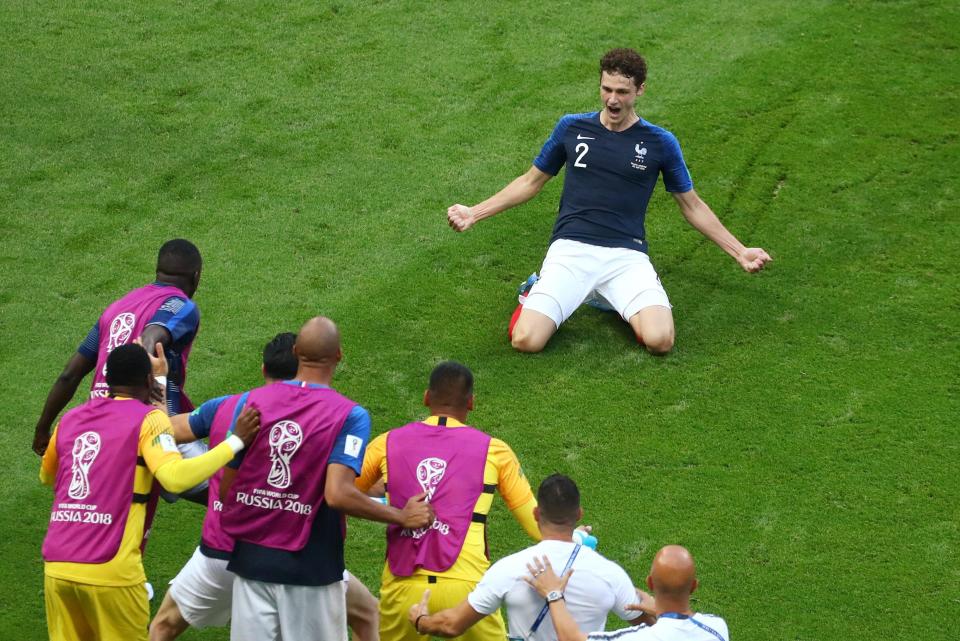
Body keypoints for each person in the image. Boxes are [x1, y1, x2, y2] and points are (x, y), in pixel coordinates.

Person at [446, 48, 771, 355]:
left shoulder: (660, 142)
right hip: (571, 250)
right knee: (526, 341)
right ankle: (534, 290)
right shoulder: (572, 127)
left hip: (626, 256)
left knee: (660, 341)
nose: (612, 99)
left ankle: (607, 295)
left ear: (640, 90)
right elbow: (531, 182)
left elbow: (692, 205)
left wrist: (740, 251)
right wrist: (474, 212)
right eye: (607, 89)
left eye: (622, 92)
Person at [149, 332, 380, 641]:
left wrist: (160, 380)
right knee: (368, 614)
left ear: (262, 369)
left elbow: (166, 430)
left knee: (163, 626)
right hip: (288, 555)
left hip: (218, 554)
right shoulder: (326, 416)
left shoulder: (230, 406)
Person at [219, 317, 434, 641]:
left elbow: (227, 489)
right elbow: (337, 494)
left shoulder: (252, 403)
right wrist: (401, 515)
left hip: (251, 564)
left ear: (295, 352)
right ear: (339, 356)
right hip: (311, 569)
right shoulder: (349, 416)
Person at [39, 343, 260, 641]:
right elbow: (175, 478)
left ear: (107, 377)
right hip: (111, 570)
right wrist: (235, 443)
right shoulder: (148, 421)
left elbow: (48, 476)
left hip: (57, 567)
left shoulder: (70, 420)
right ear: (146, 381)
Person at [356, 361, 541, 641]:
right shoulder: (496, 451)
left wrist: (383, 489)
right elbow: (535, 524)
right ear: (471, 402)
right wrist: (574, 538)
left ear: (427, 397)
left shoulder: (387, 442)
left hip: (403, 585)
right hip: (469, 591)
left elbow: (341, 491)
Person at [32, 239, 209, 502]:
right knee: (233, 494)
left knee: (116, 510)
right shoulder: (181, 306)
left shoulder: (116, 308)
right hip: (151, 422)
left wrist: (42, 429)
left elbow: (70, 373)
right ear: (196, 276)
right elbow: (150, 339)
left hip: (99, 422)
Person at [408, 474, 648, 640]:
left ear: (536, 513)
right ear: (579, 514)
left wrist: (422, 621)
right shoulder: (609, 574)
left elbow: (451, 625)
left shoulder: (509, 569)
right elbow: (652, 625)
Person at [525, 545, 729, 641]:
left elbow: (572, 639)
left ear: (650, 583)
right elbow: (680, 631)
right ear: (694, 586)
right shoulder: (718, 629)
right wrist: (661, 613)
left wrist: (553, 594)